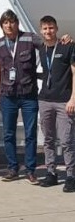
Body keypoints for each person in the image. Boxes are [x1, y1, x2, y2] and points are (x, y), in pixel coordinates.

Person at [0, 9, 44, 184]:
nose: (9, 25)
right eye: (5, 23)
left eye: (12, 22)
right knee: (8, 133)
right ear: (2, 26)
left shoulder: (29, 38)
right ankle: (13, 168)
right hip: (8, 95)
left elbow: (48, 43)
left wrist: (64, 41)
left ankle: (30, 170)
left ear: (17, 23)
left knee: (30, 134)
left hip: (28, 94)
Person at [35, 16, 75, 192]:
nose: (48, 32)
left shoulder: (67, 46)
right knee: (49, 139)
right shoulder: (41, 49)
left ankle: (71, 176)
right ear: (41, 31)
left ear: (56, 29)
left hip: (64, 101)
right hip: (45, 100)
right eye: (44, 29)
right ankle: (51, 173)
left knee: (67, 140)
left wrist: (73, 98)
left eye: (51, 28)